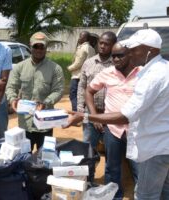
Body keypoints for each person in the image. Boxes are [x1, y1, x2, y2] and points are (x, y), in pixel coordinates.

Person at [66, 29, 169, 199]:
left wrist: (84, 116)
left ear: (148, 50)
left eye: (134, 49)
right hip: (153, 140)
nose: (130, 53)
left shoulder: (152, 76)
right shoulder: (163, 68)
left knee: (145, 194)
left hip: (154, 147)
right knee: (163, 190)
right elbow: (88, 90)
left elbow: (127, 115)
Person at [86, 42, 139, 199]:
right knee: (112, 168)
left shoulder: (142, 73)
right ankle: (115, 196)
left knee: (139, 169)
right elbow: (89, 91)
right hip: (113, 130)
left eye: (120, 55)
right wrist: (94, 115)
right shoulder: (107, 73)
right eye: (114, 56)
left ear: (130, 55)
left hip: (136, 130)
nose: (116, 59)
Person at [6, 32, 64, 151]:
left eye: (41, 46)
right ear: (30, 46)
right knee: (24, 158)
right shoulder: (19, 67)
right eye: (35, 46)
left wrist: (46, 102)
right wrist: (12, 99)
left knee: (44, 159)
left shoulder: (55, 69)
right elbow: (11, 86)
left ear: (46, 47)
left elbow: (58, 90)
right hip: (25, 124)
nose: (38, 49)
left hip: (45, 124)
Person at [77, 31, 117, 150]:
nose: (102, 46)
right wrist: (80, 107)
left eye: (107, 44)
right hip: (90, 114)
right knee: (88, 150)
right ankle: (89, 169)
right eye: (101, 43)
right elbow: (82, 86)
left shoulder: (117, 65)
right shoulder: (88, 63)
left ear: (113, 46)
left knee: (111, 153)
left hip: (111, 116)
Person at [67, 31, 95, 111]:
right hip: (88, 75)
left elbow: (78, 63)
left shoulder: (82, 48)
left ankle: (76, 114)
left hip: (77, 76)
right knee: (83, 96)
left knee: (73, 95)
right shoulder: (91, 48)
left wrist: (69, 68)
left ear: (85, 38)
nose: (79, 38)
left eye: (80, 36)